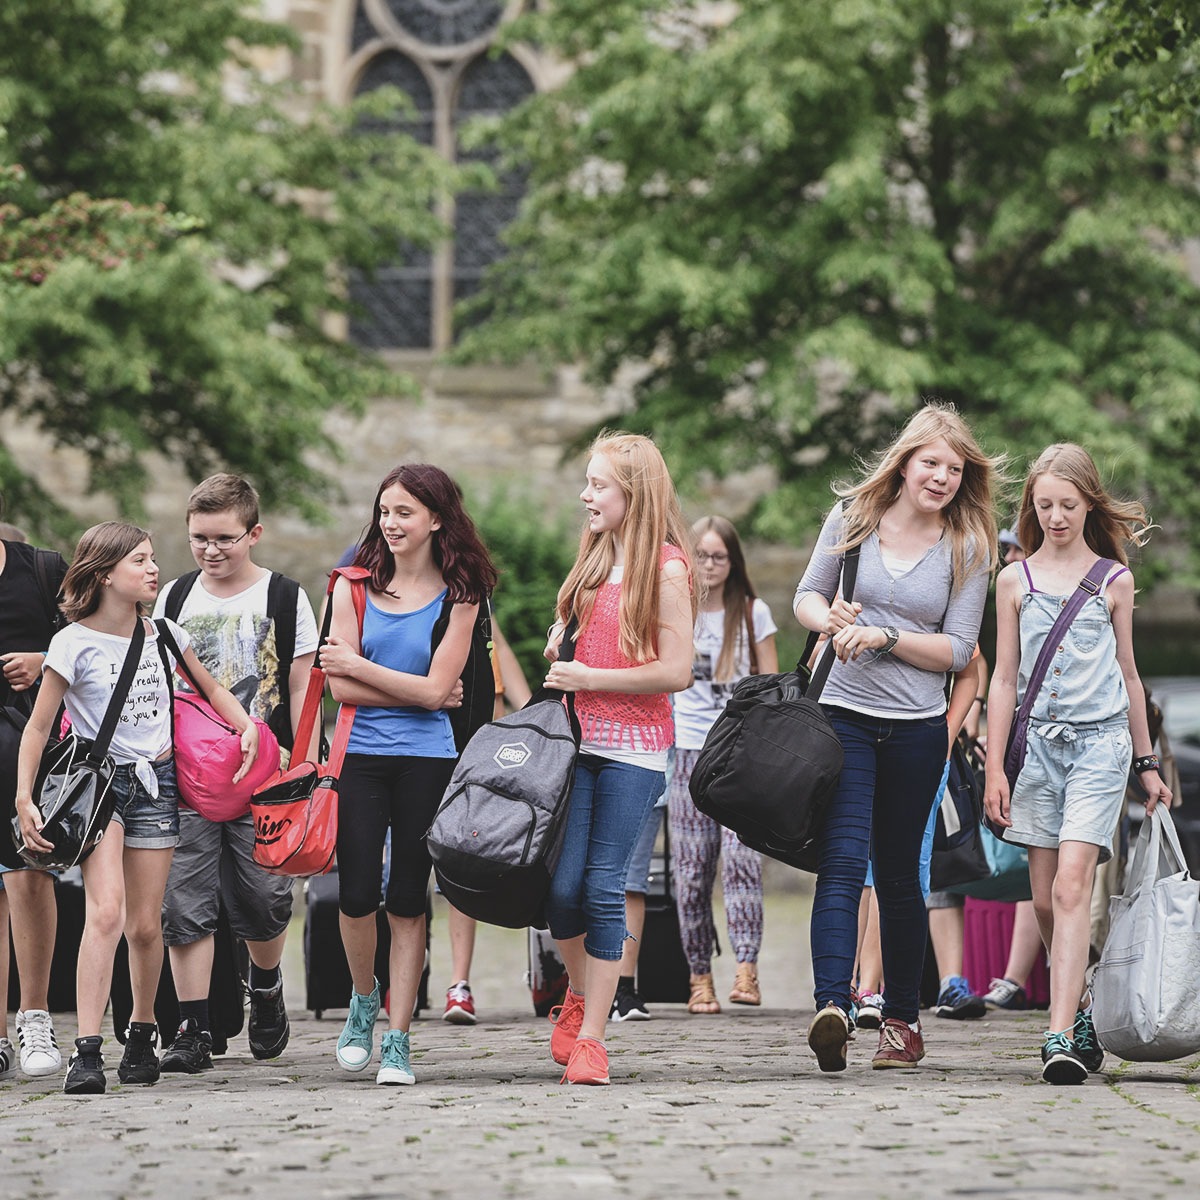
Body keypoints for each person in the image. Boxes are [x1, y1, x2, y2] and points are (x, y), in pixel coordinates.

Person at [14, 522, 258, 1095]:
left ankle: (144, 1030)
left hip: (158, 784)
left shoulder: (165, 634)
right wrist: (24, 796)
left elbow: (212, 690)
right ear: (104, 575)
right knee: (105, 913)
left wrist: (246, 726)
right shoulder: (72, 642)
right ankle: (88, 1050)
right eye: (140, 561)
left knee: (147, 926)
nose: (154, 569)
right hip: (98, 787)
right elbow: (39, 726)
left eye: (153, 558)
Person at [794, 402, 998, 1071]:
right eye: (930, 462)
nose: (941, 476)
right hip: (843, 718)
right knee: (844, 863)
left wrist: (885, 635)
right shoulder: (853, 517)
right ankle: (834, 1006)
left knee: (902, 878)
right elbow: (805, 597)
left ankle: (903, 1022)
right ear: (905, 463)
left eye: (953, 468)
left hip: (915, 731)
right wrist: (831, 620)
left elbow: (958, 648)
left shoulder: (968, 545)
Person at [985, 443, 1170, 1084]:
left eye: (1068, 504)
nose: (1057, 516)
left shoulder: (1114, 581)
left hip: (1100, 747)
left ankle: (1059, 1037)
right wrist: (995, 769)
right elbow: (1005, 680)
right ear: (1031, 508)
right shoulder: (1015, 580)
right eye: (1045, 506)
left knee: (1071, 888)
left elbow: (1128, 673)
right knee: (1043, 899)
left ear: (1089, 502)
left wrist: (1146, 763)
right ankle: (1087, 1000)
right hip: (1034, 750)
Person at [321, 465, 497, 1086]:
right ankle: (362, 1000)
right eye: (385, 512)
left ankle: (397, 1036)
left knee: (407, 898)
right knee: (357, 892)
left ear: (437, 519)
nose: (391, 524)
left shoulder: (462, 593)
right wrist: (414, 691)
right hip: (359, 759)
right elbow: (336, 685)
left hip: (429, 759)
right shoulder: (352, 587)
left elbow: (435, 692)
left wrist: (379, 677)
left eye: (404, 513)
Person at [151, 474, 319, 1071]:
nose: (211, 550)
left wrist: (305, 762)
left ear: (254, 534)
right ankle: (193, 1027)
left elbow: (301, 682)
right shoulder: (172, 599)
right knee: (184, 900)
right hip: (188, 775)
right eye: (199, 538)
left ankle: (266, 986)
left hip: (266, 777)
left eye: (224, 538)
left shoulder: (284, 596)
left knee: (266, 897)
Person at [542, 431, 695, 1085]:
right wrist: (560, 641)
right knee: (559, 891)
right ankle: (578, 993)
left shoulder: (666, 569)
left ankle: (595, 1039)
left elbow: (676, 671)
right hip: (574, 746)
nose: (586, 494)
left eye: (598, 484)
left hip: (633, 752)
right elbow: (575, 636)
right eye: (587, 481)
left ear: (633, 493)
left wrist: (588, 677)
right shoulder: (593, 554)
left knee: (605, 886)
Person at [666, 515, 777, 1015]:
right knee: (690, 874)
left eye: (719, 556)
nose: (710, 565)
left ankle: (747, 968)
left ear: (733, 563)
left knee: (742, 862)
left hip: (740, 757)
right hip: (687, 754)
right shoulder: (673, 610)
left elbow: (774, 691)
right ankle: (698, 976)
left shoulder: (753, 613)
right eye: (702, 555)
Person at [0, 518, 67, 1080]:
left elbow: (103, 636)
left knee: (27, 878)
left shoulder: (41, 570)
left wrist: (45, 660)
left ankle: (35, 1016)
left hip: (26, 750)